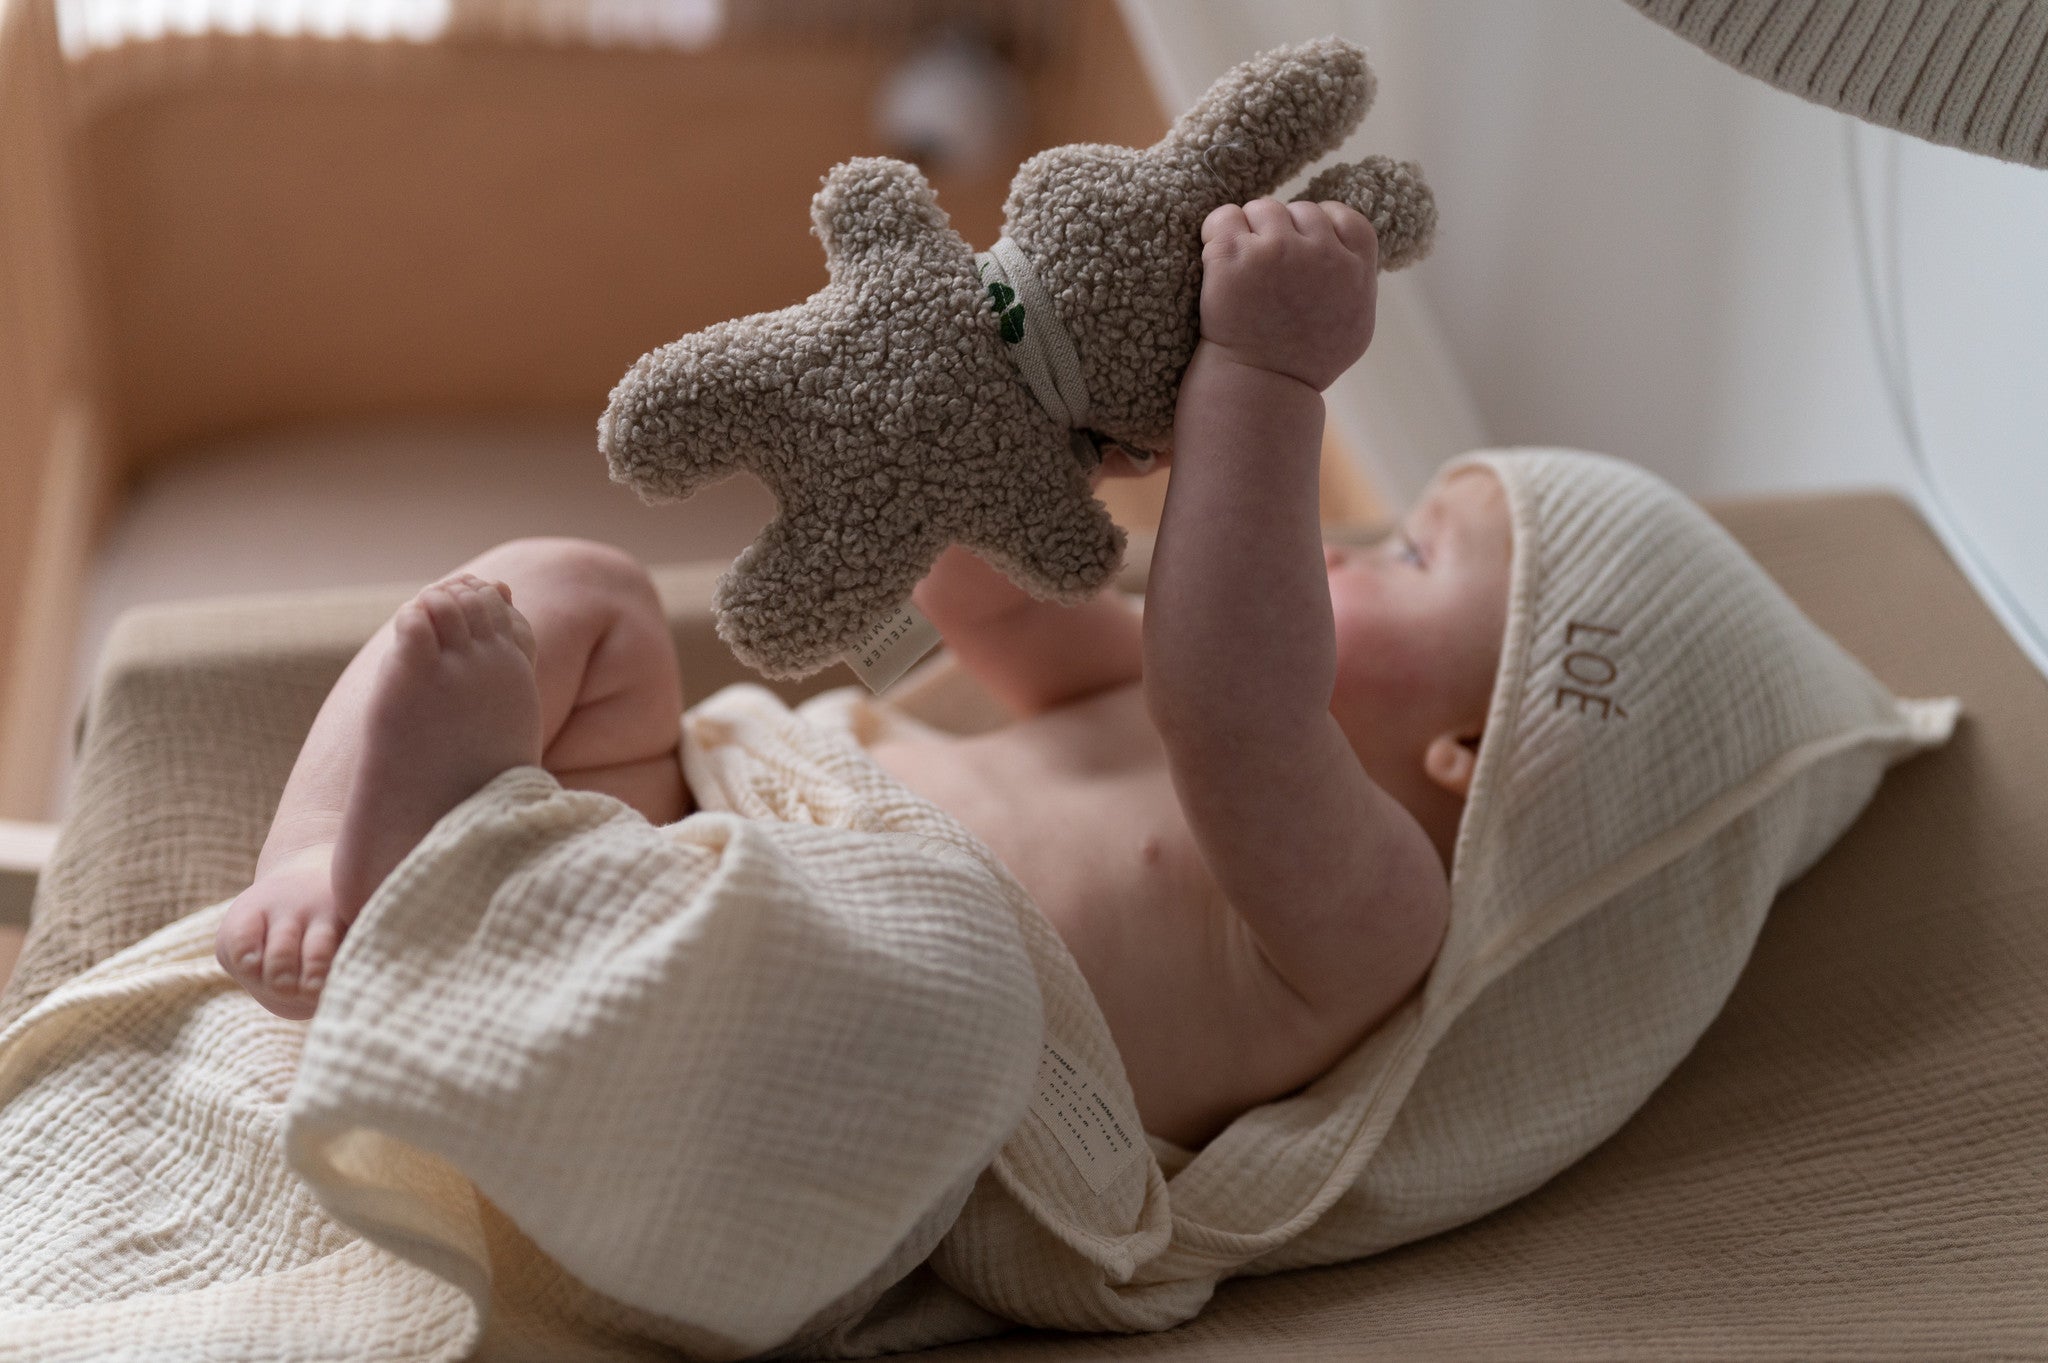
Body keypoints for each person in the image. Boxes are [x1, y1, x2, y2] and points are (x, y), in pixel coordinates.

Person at [216, 197, 1511, 1151]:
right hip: (705, 828)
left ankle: (451, 896)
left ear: (1471, 747)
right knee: (568, 592)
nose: (1346, 553)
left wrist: (1267, 383)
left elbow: (1236, 695)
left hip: (795, 1033)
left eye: (1406, 559)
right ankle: (332, 866)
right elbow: (984, 608)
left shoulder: (1381, 912)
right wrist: (1026, 439)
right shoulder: (1148, 690)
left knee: (746, 935)